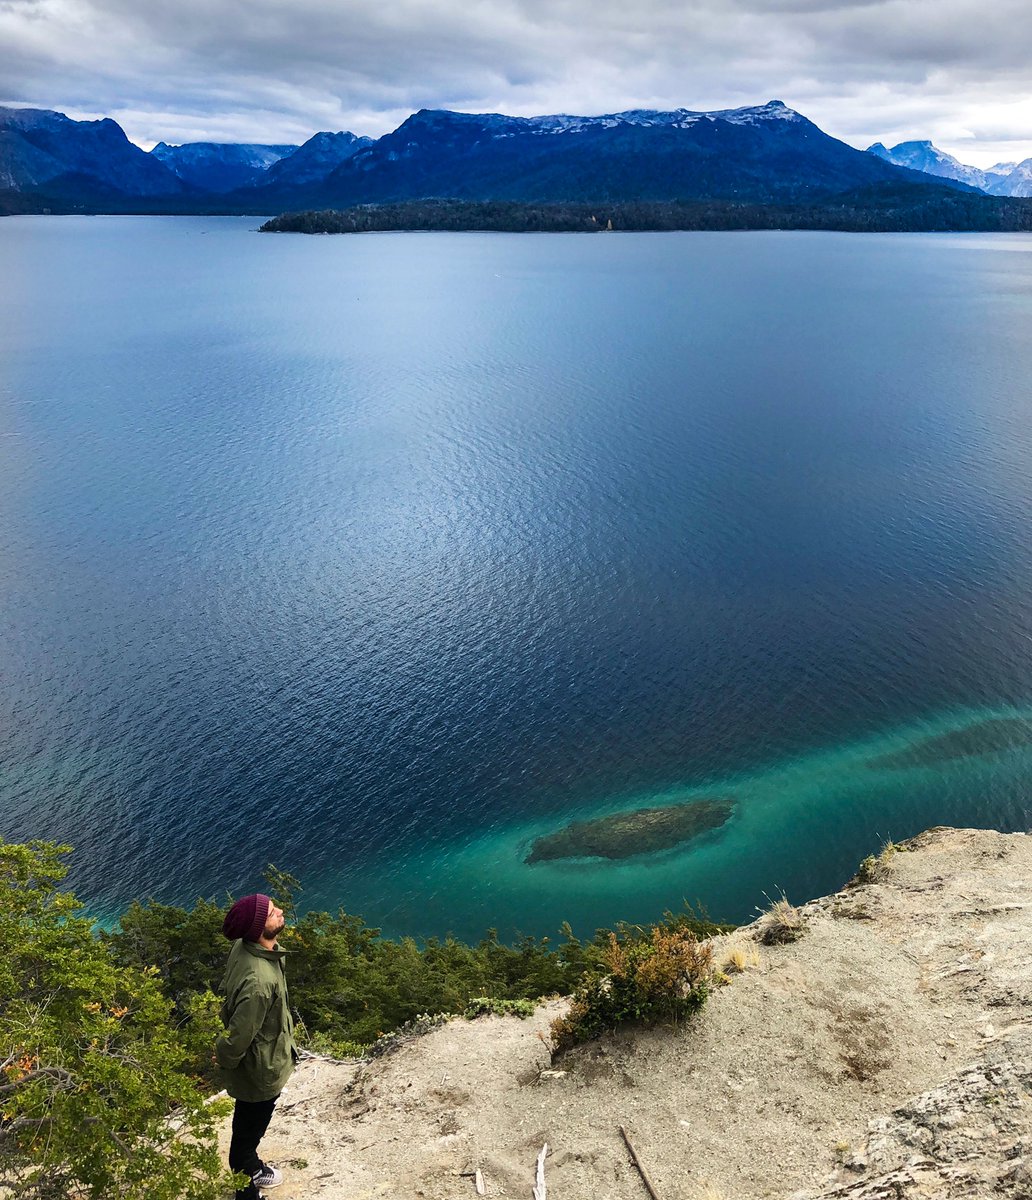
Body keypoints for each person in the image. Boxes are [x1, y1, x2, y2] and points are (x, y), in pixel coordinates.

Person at [216, 892, 299, 1200]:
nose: (280, 911)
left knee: (247, 1126)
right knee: (248, 1130)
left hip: (265, 1055)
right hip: (260, 1068)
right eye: (271, 913)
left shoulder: (248, 949)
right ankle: (246, 1188)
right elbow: (240, 1034)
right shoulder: (259, 981)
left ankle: (250, 1164)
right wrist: (223, 1057)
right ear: (257, 929)